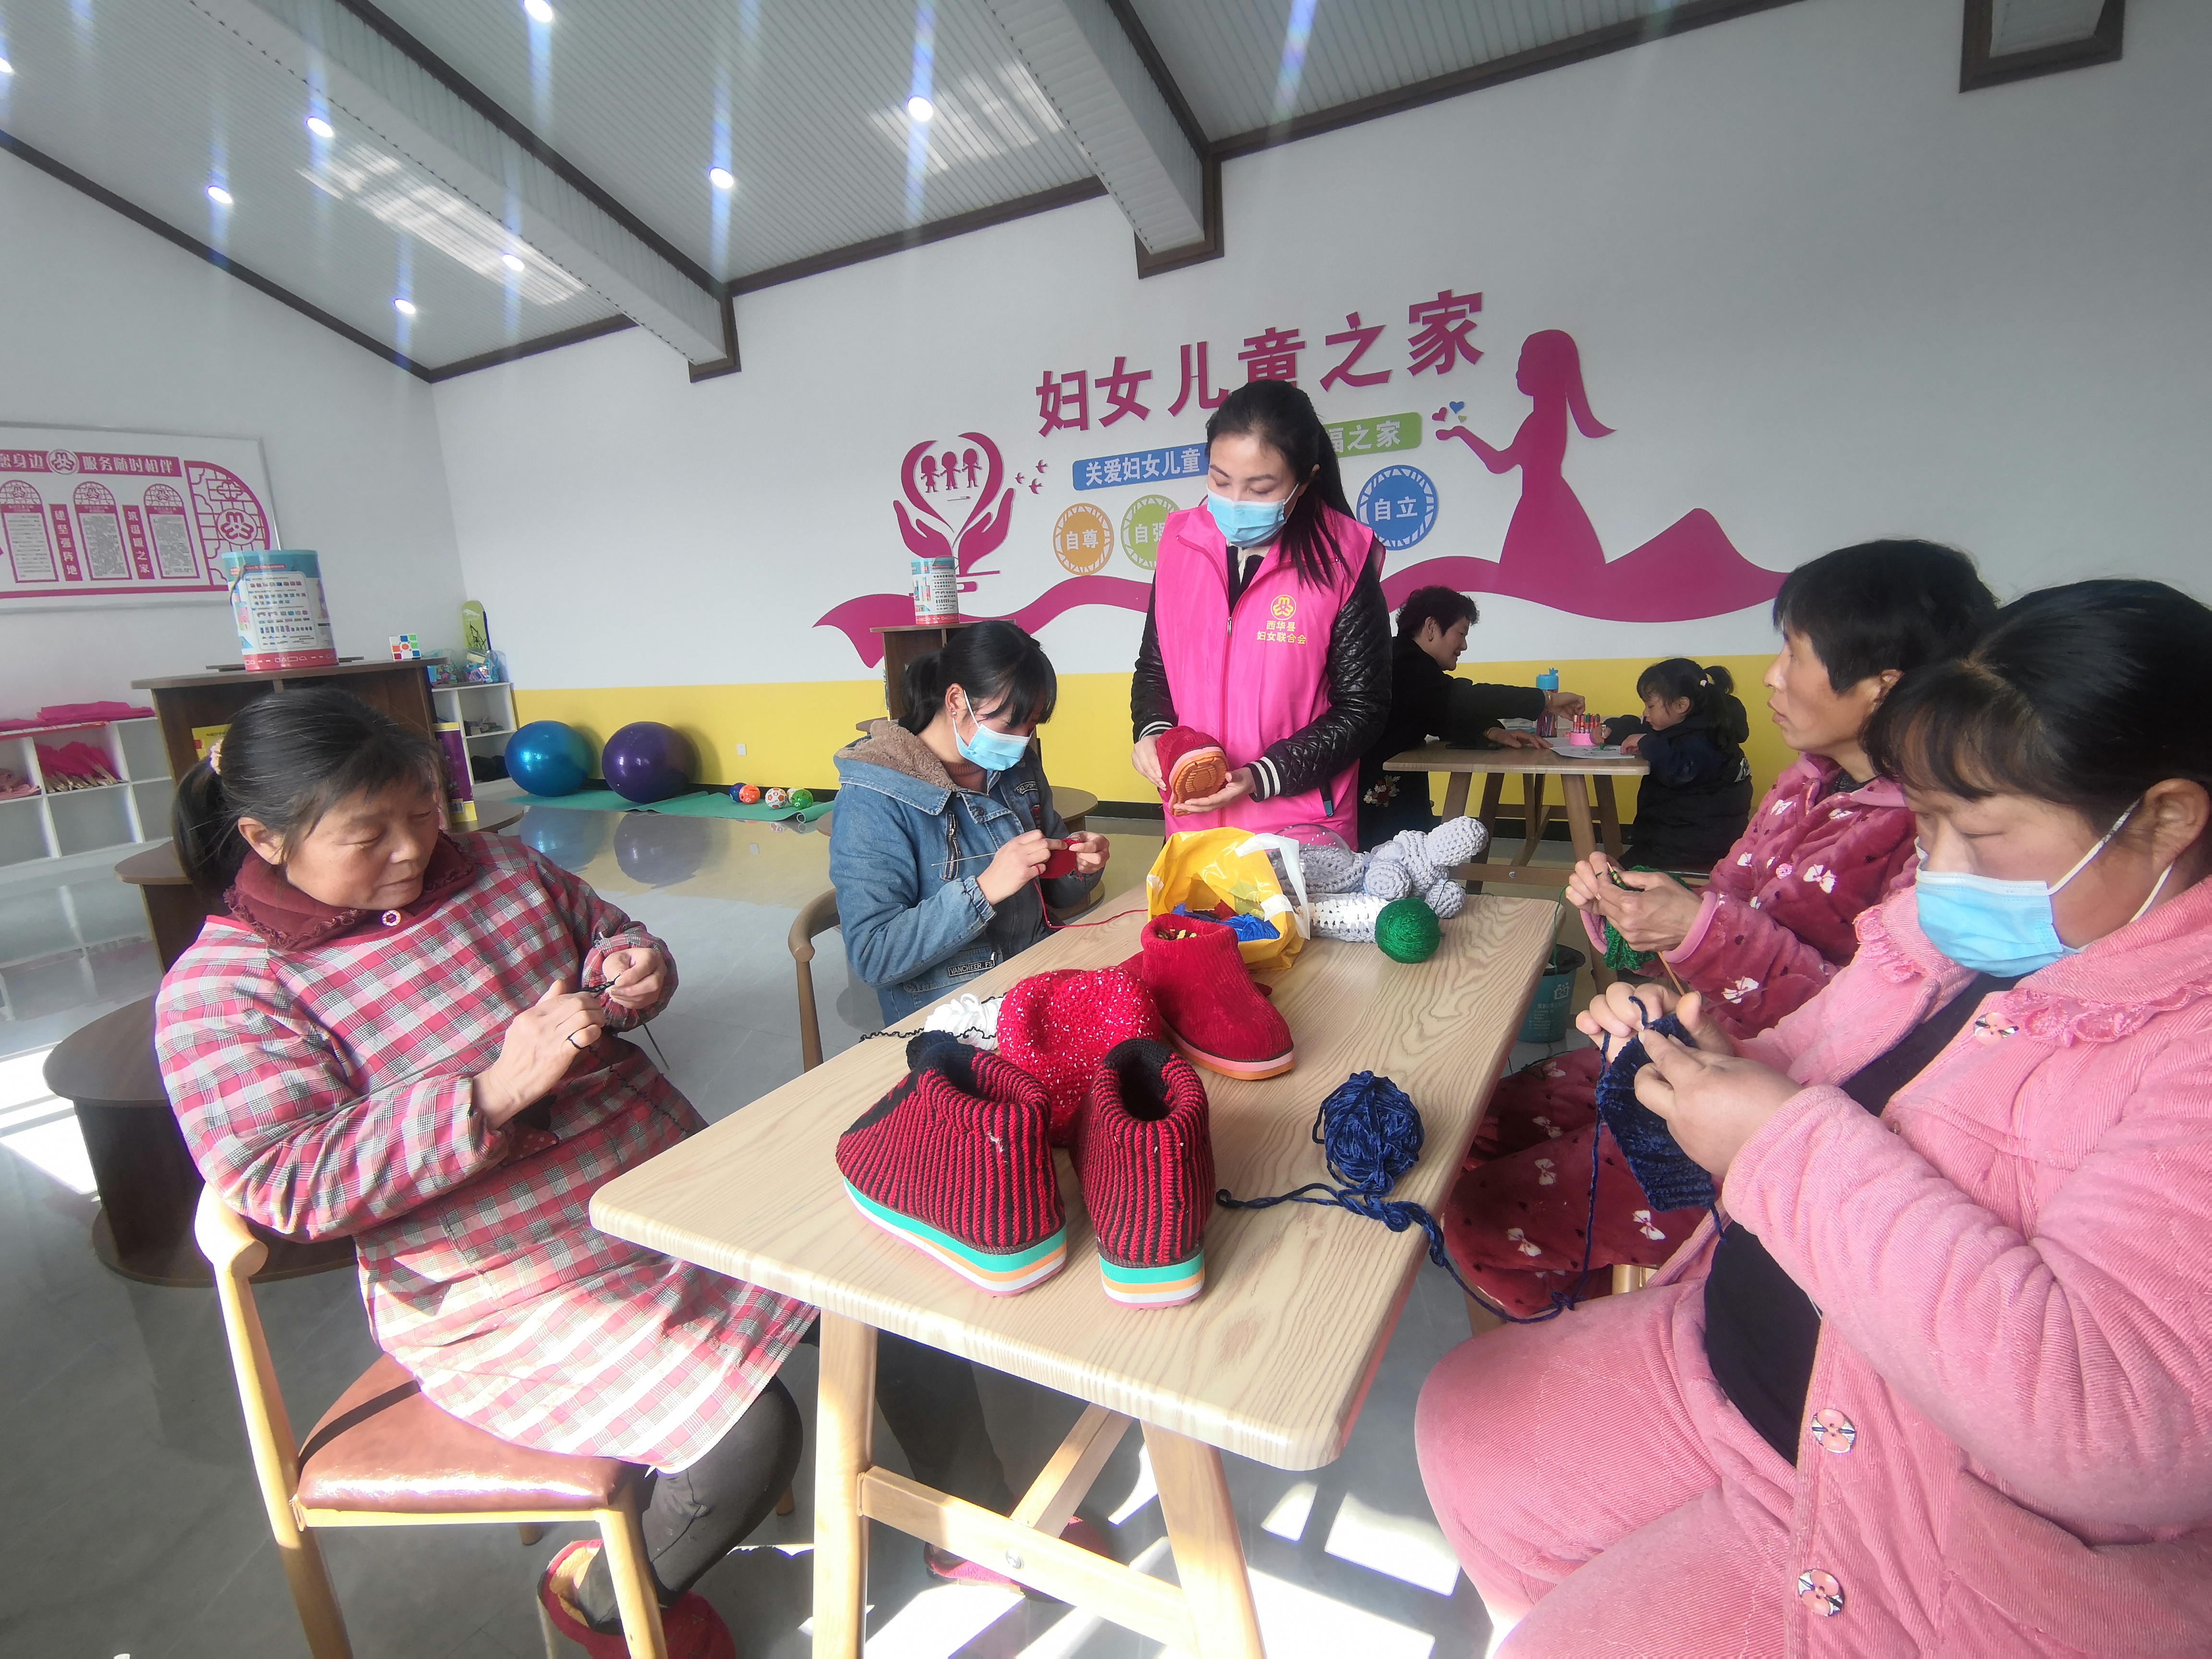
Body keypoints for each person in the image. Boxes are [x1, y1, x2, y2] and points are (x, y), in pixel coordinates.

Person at [1418, 577, 2212, 1655]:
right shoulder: (1931, 928)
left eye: (1978, 834)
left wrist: (1772, 1136)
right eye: (1926, 827)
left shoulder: (2183, 1049)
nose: (1939, 873)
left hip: (1907, 1514)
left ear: (2162, 820)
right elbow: (1810, 1056)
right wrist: (1701, 1057)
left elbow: (2112, 1422)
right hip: (1739, 1336)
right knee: (1465, 1415)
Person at [154, 688, 1018, 1656]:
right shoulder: (226, 989)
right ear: (265, 840)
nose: (410, 850)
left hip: (664, 1195)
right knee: (745, 1439)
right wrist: (487, 1095)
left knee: (885, 1286)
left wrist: (634, 964)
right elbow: (285, 1181)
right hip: (501, 1282)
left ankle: (976, 1524)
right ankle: (603, 1602)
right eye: (367, 834)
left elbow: (604, 930)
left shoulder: (494, 867)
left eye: (423, 812)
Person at [1444, 540, 1996, 1316]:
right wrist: (1634, 917)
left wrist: (1695, 926)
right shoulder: (1805, 783)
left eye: (1794, 651)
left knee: (1480, 1216)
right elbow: (1726, 900)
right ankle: (1594, 1291)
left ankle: (1623, 1328)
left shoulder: (1934, 834)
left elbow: (1860, 1025)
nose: (1771, 675)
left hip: (1777, 1108)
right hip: (1698, 1042)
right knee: (1474, 1127)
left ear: (1883, 684)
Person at [1129, 379, 1390, 846]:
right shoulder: (1179, 545)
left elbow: (1362, 708)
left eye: (1260, 488)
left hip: (1300, 831)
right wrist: (1153, 733)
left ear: (1304, 481)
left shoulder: (1343, 558)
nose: (1235, 502)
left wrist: (1261, 775)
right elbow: (1156, 666)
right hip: (1193, 825)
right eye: (1220, 480)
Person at [832, 620, 1107, 1023]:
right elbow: (875, 956)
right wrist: (985, 889)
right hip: (953, 1017)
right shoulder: (874, 797)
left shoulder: (1019, 770)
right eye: (1009, 725)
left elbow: (1058, 897)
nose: (1021, 742)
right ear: (956, 700)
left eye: (1031, 726)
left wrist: (1079, 864)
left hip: (1036, 983)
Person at [1356, 585, 1586, 845]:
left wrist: (1490, 731)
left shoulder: (1407, 661)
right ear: (1431, 627)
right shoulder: (1404, 663)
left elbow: (1439, 716)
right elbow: (1464, 698)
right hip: (1371, 802)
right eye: (1461, 633)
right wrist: (1547, 700)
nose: (1464, 646)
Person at [1601, 659, 1753, 873]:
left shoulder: (1707, 740)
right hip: (1680, 835)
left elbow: (1681, 771)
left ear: (1682, 705)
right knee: (1617, 869)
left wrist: (1647, 743)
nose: (1646, 713)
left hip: (1695, 846)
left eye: (1651, 706)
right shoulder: (1684, 723)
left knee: (1615, 876)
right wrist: (1611, 730)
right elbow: (1640, 727)